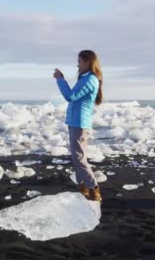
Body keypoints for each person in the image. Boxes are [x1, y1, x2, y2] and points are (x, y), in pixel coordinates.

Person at [53, 50, 104, 202]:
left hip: (80, 124)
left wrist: (60, 79)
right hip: (76, 122)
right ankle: (84, 186)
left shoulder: (89, 79)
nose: (77, 64)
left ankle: (94, 188)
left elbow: (70, 96)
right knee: (77, 158)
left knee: (79, 158)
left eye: (80, 61)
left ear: (88, 62)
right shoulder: (86, 78)